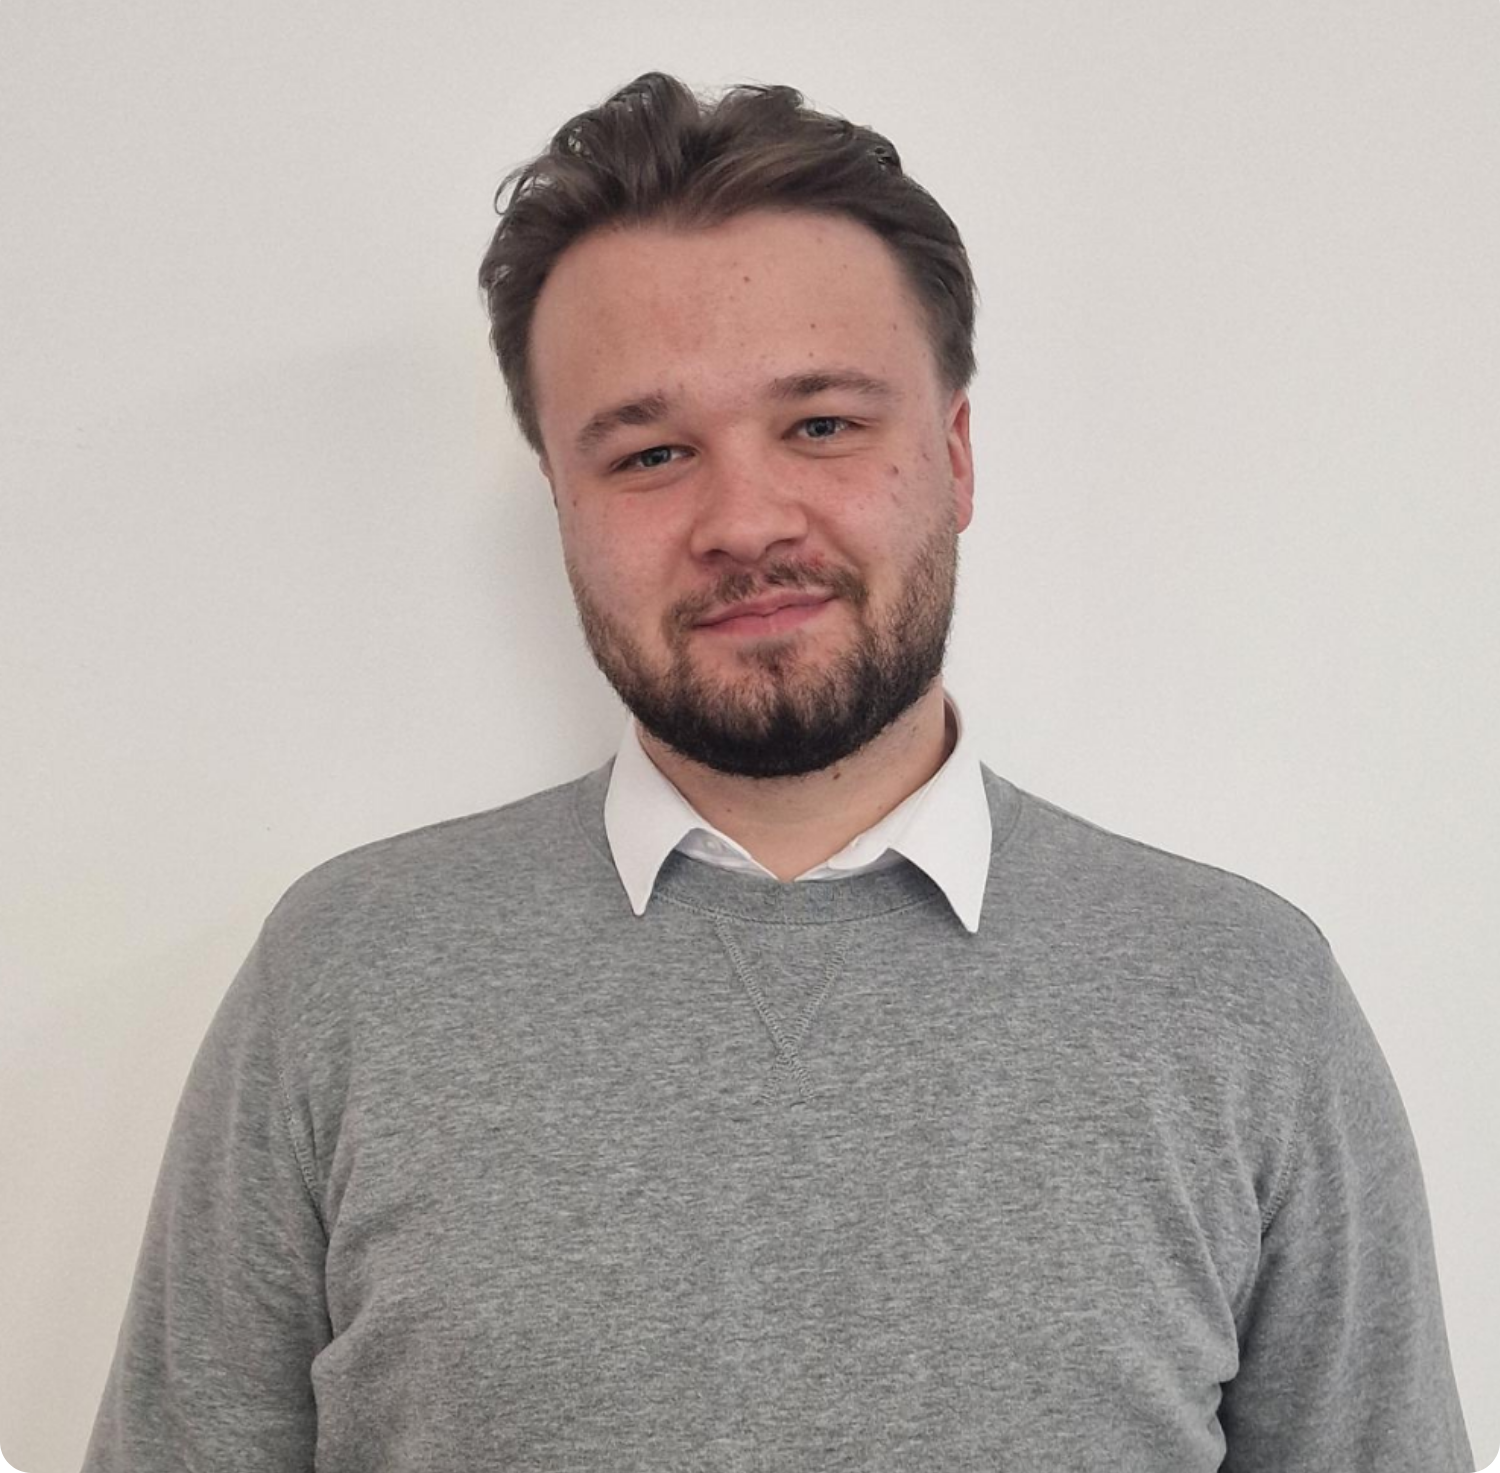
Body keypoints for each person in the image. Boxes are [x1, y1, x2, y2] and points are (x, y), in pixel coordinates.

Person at [84, 72, 1473, 1471]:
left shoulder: (1242, 995)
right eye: (650, 451)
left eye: (821, 425)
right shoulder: (348, 974)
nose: (744, 519)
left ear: (955, 456)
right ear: (563, 506)